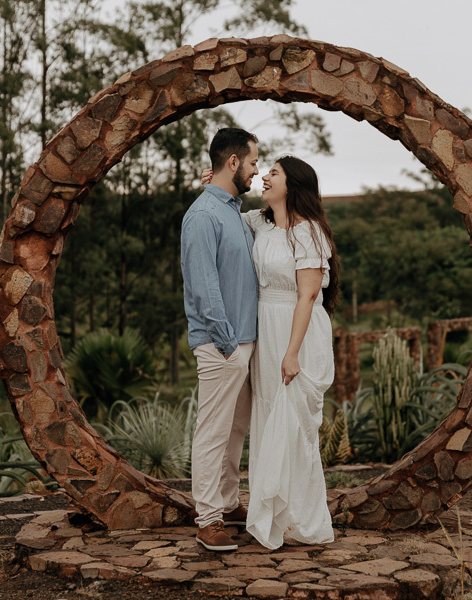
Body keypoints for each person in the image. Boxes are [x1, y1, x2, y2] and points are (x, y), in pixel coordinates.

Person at [201, 155, 339, 550]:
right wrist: (212, 184)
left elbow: (309, 295)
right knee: (267, 419)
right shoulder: (259, 223)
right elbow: (225, 218)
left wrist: (292, 353)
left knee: (294, 423)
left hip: (296, 331)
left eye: (273, 173)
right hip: (266, 327)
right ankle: (272, 517)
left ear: (292, 185)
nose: (264, 177)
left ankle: (302, 520)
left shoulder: (309, 232)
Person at [181, 128, 260, 552]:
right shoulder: (202, 215)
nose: (255, 170)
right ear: (233, 162)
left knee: (234, 432)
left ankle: (228, 504)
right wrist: (228, 343)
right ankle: (207, 519)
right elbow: (203, 286)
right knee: (213, 432)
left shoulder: (231, 209)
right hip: (220, 344)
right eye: (252, 163)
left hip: (243, 343)